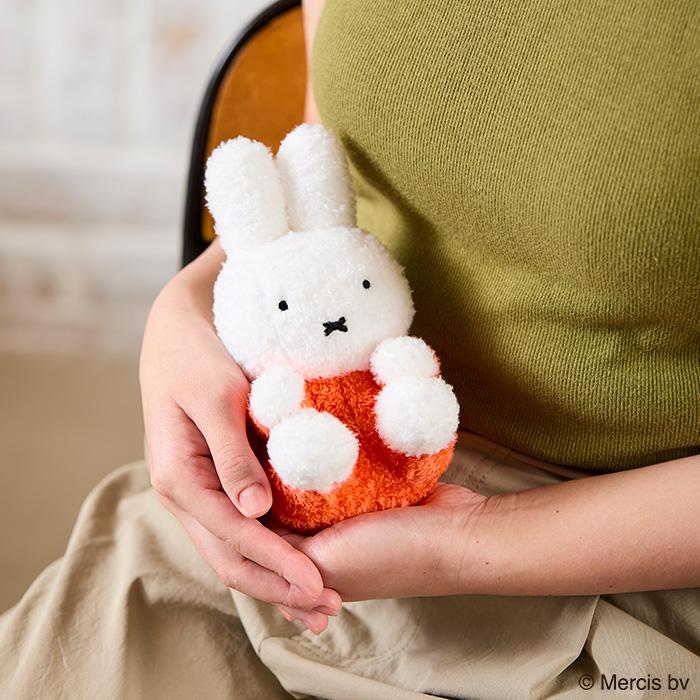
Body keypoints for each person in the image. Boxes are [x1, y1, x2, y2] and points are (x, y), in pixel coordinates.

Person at [2, 0, 699, 697]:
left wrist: (472, 540)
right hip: (285, 514)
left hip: (627, 560)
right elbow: (331, 174)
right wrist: (182, 305)